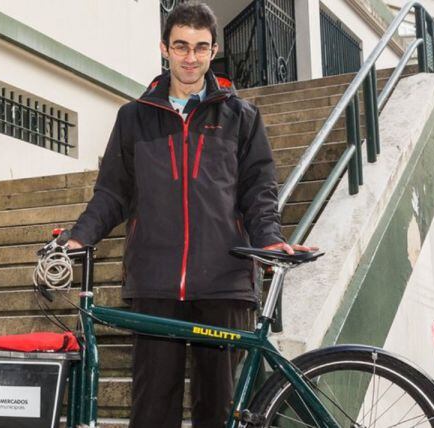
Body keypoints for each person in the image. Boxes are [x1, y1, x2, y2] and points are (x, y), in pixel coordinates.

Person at [59, 2, 315, 427]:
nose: (190, 57)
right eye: (181, 46)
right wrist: (78, 237)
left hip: (225, 281)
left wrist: (269, 239)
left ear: (213, 51)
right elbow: (112, 193)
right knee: (152, 411)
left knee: (217, 411)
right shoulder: (133, 118)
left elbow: (258, 192)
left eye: (200, 47)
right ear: (165, 48)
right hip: (155, 282)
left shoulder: (241, 117)